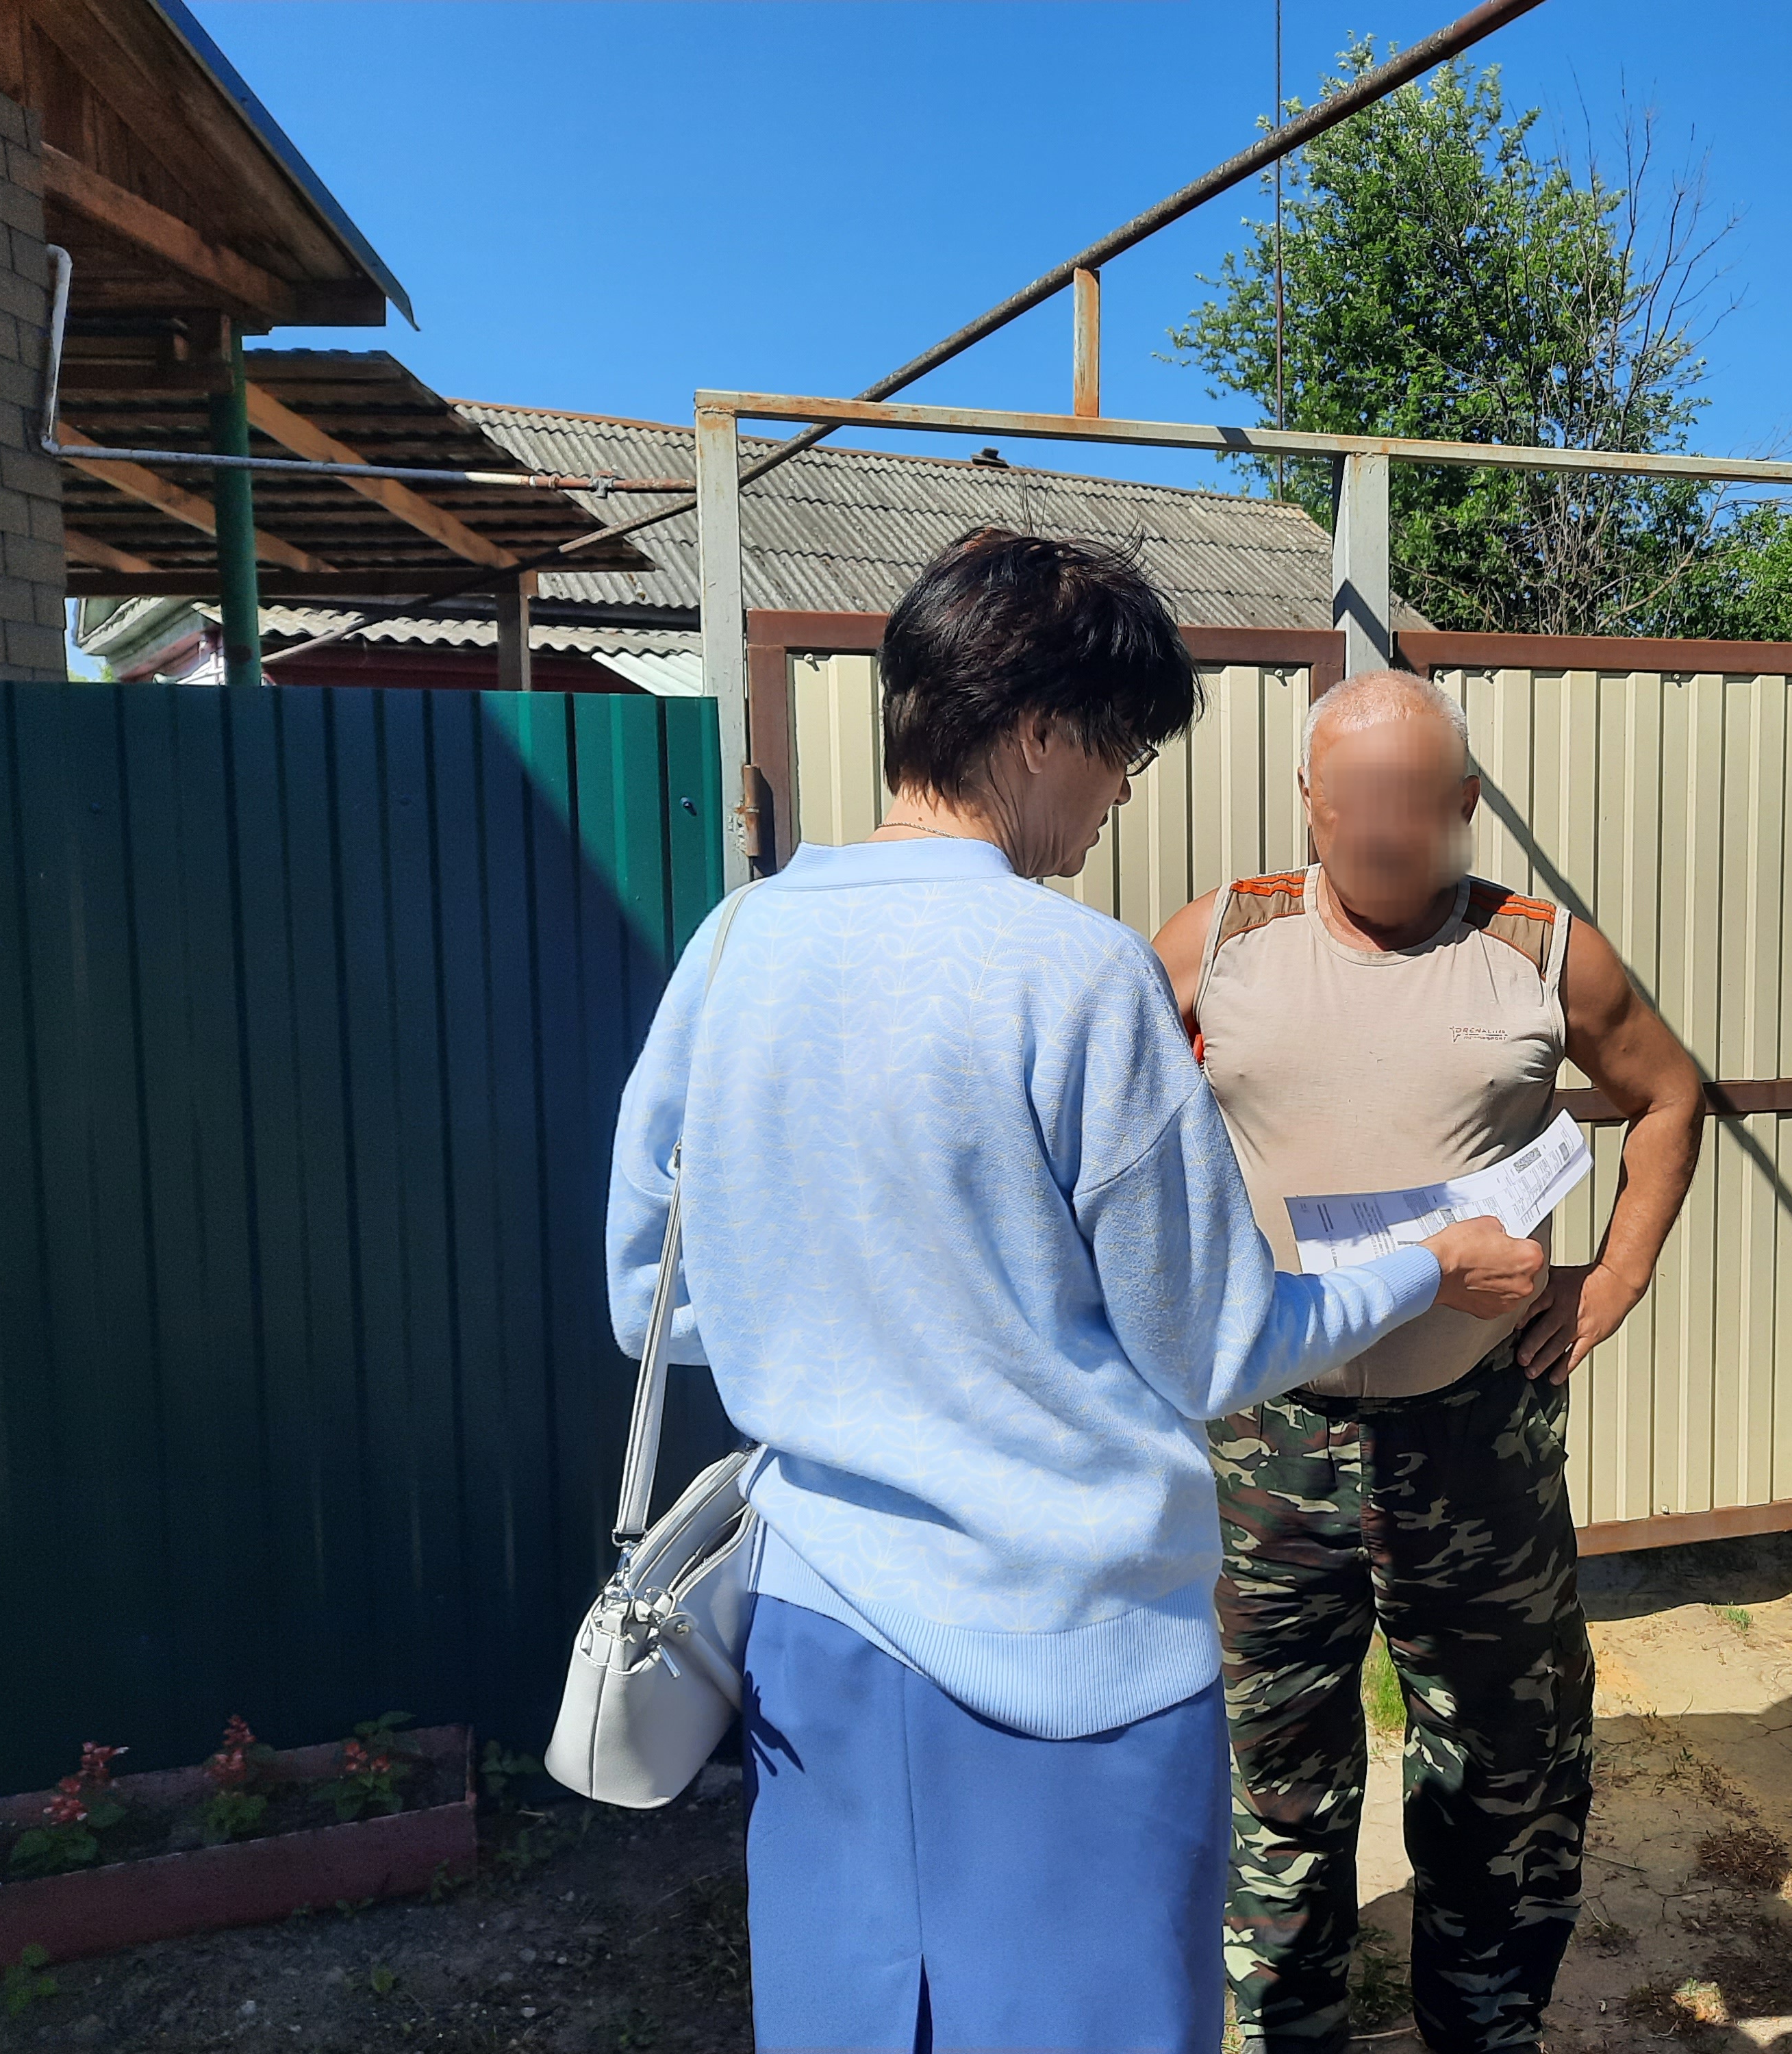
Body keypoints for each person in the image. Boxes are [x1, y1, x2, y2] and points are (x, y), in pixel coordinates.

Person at [605, 537, 1547, 2054]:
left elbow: (649, 1294)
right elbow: (1217, 1342)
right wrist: (1429, 1264)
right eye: (1116, 750)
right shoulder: (1074, 973)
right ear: (1037, 729)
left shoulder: (732, 947)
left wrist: (862, 1357)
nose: (1119, 792)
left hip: (814, 1624)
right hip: (1071, 1654)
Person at [1152, 670, 1706, 2053]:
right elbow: (1100, 1114)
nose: (1382, 843)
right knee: (1273, 1761)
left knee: (1500, 1762)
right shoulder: (1221, 936)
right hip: (1265, 1438)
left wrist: (1616, 1272)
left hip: (1473, 1433)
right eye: (1354, 815)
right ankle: (1292, 2029)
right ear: (1309, 806)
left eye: (1414, 816)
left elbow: (1666, 1093)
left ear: (1462, 809)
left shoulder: (1534, 951)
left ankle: (1481, 2023)